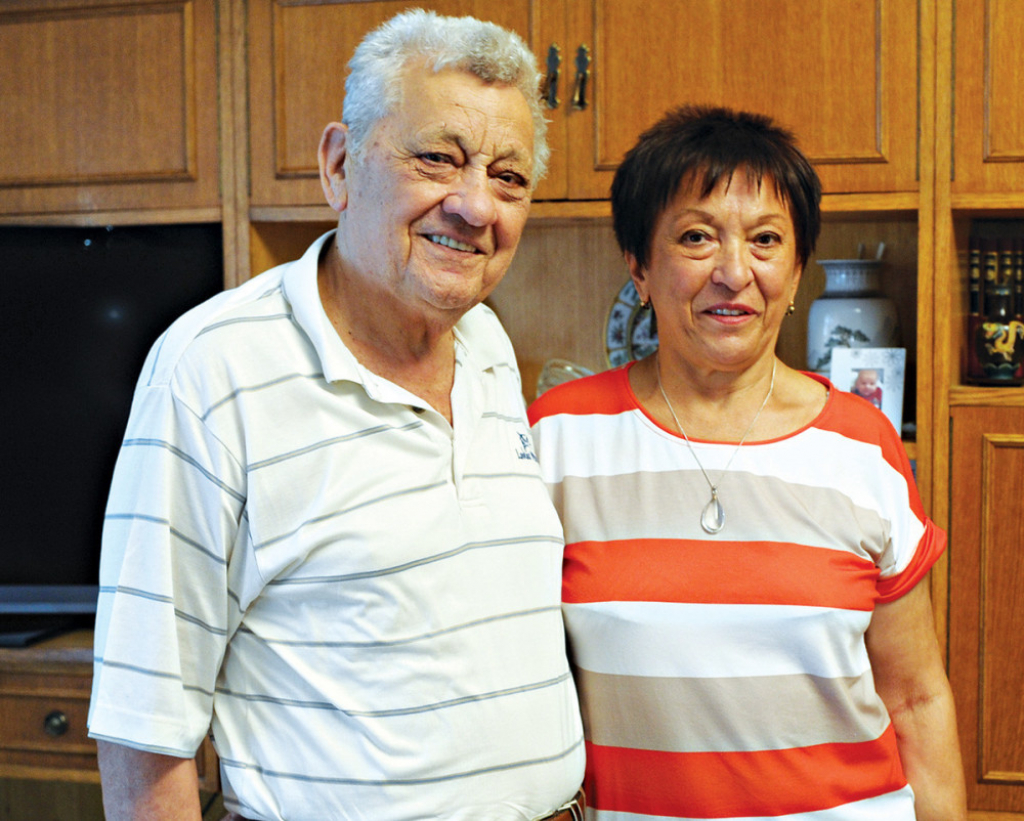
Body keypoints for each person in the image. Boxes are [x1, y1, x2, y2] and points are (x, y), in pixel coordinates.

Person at [88, 10, 585, 820]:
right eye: (438, 158)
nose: (475, 206)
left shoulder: (487, 345)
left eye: (509, 178)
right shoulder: (213, 368)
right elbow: (144, 725)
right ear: (340, 165)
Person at [529, 106, 966, 821]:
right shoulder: (559, 438)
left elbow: (916, 699)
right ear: (639, 266)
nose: (734, 273)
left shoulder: (863, 444)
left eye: (766, 240)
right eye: (696, 237)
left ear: (796, 273)